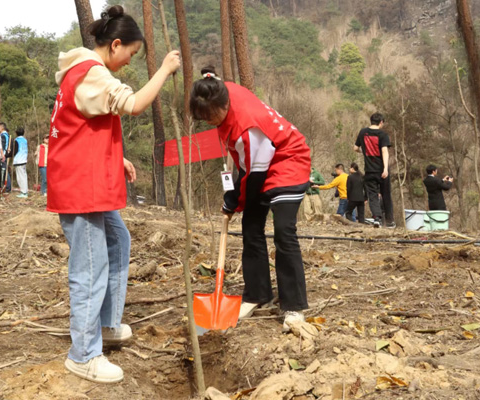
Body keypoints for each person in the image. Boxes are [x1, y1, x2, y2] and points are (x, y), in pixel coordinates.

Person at [47, 5, 180, 384]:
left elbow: (80, 123)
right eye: (132, 54)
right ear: (116, 44)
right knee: (90, 267)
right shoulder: (91, 72)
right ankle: (83, 354)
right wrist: (164, 70)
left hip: (86, 175)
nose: (130, 61)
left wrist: (115, 155)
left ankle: (105, 325)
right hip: (80, 186)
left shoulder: (83, 72)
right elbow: (133, 104)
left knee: (118, 240)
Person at [190, 66, 311, 332]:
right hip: (262, 159)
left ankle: (293, 306)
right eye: (203, 117)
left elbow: (253, 177)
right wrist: (234, 197)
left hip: (289, 158)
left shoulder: (247, 125)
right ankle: (257, 293)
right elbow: (248, 168)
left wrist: (234, 198)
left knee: (283, 230)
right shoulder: (222, 89)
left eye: (211, 116)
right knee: (251, 226)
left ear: (224, 105)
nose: (209, 122)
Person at [354, 113, 395, 228]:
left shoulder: (363, 132)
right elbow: (384, 151)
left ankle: (376, 218)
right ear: (381, 122)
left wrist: (365, 152)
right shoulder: (383, 134)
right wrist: (385, 168)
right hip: (382, 170)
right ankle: (390, 221)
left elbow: (356, 148)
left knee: (372, 195)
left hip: (369, 170)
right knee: (386, 194)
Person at [13, 127, 28, 198]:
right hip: (24, 160)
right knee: (24, 176)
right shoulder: (25, 140)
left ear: (16, 133)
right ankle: (25, 191)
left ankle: (23, 192)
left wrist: (8, 155)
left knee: (20, 177)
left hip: (18, 160)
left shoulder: (16, 140)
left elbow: (15, 151)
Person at [0, 122, 12, 193]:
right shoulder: (6, 135)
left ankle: (7, 187)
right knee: (5, 171)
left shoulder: (3, 136)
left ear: (2, 127)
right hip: (5, 155)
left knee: (4, 171)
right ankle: (6, 186)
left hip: (3, 155)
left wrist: (1, 155)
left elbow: (3, 146)